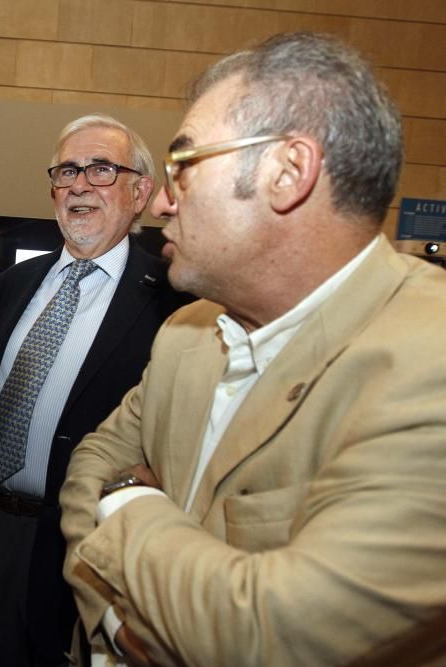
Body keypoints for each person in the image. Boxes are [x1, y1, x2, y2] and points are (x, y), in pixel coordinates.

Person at [60, 32, 446, 667]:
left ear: (288, 172)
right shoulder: (188, 335)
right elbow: (94, 459)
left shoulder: (423, 365)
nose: (160, 201)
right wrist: (111, 619)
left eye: (184, 164)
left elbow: (282, 633)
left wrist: (131, 500)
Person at [0, 114, 191, 665]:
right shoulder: (10, 286)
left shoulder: (173, 306)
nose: (78, 184)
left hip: (83, 544)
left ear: (141, 191)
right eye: (66, 170)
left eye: (100, 169)